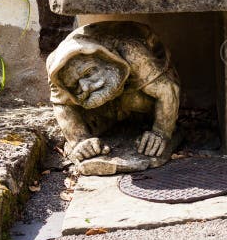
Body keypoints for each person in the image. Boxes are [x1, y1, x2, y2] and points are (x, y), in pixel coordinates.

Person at [46, 21, 180, 163]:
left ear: (104, 58)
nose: (85, 87)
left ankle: (141, 120)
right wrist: (79, 141)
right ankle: (110, 122)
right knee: (82, 107)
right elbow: (62, 105)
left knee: (135, 100)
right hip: (107, 106)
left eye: (89, 73)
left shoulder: (130, 50)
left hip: (140, 92)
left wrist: (161, 132)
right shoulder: (55, 67)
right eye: (75, 85)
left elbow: (167, 90)